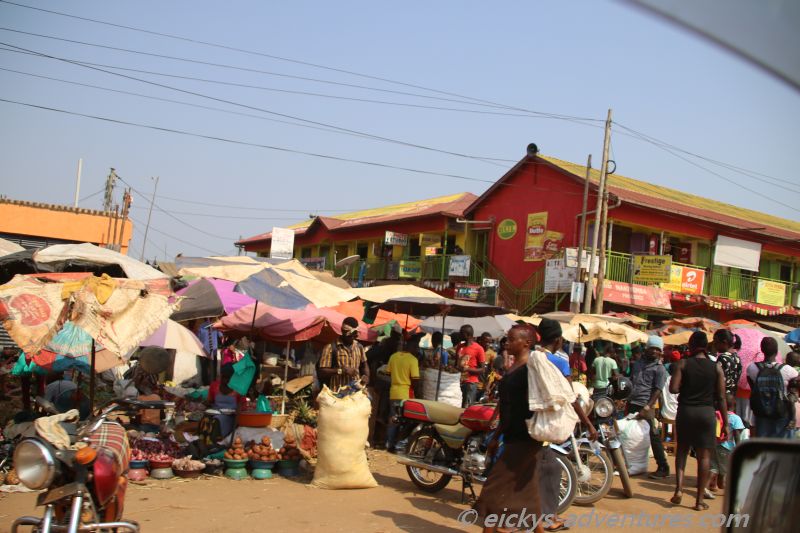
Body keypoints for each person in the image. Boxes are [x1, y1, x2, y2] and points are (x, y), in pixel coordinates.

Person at [473, 325, 544, 533]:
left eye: (512, 339)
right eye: (507, 339)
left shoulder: (529, 369)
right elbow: (507, 406)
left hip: (525, 437)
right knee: (528, 490)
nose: (507, 343)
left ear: (527, 343)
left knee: (493, 488)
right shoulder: (513, 367)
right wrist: (496, 436)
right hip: (512, 434)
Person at [534, 319, 598, 532]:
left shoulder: (532, 357)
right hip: (547, 424)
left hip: (531, 420)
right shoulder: (559, 362)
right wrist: (588, 423)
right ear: (558, 340)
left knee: (545, 467)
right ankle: (546, 518)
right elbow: (570, 397)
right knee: (550, 469)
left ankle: (544, 517)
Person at [669, 331, 727, 511]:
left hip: (686, 412)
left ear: (691, 345)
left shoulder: (683, 363)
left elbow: (673, 389)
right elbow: (721, 397)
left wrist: (686, 385)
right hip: (706, 414)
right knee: (704, 457)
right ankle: (699, 501)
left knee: (682, 451)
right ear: (706, 346)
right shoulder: (716, 367)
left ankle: (679, 489)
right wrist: (725, 423)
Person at [628, 335, 670, 479]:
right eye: (652, 348)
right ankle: (629, 463)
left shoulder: (660, 369)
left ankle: (663, 466)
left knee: (653, 435)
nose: (654, 351)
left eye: (657, 349)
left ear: (661, 352)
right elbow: (631, 381)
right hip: (632, 403)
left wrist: (648, 406)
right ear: (646, 349)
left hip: (646, 405)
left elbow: (658, 390)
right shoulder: (637, 364)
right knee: (630, 433)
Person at [746, 337, 798, 438]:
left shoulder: (752, 368)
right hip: (782, 412)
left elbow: (753, 388)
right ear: (777, 351)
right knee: (782, 445)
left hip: (761, 413)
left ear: (762, 350)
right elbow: (796, 385)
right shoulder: (788, 370)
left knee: (764, 444)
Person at [385, 340, 421, 452]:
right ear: (412, 347)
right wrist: (417, 394)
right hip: (405, 393)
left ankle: (389, 444)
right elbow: (415, 380)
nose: (417, 350)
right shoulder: (413, 360)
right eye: (416, 348)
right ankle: (399, 444)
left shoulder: (393, 356)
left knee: (393, 419)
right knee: (405, 421)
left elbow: (388, 373)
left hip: (394, 392)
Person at [317, 317, 370, 391]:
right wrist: (341, 371)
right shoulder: (330, 347)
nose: (353, 337)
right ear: (342, 331)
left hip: (355, 390)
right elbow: (322, 371)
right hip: (337, 392)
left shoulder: (359, 347)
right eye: (346, 333)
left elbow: (364, 365)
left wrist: (366, 376)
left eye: (354, 335)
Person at [708, 392, 745, 493]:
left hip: (713, 445)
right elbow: (737, 435)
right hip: (726, 447)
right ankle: (724, 488)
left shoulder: (716, 414)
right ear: (734, 404)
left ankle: (706, 486)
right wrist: (739, 449)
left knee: (714, 467)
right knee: (724, 471)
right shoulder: (736, 418)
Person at [456, 325, 486, 407]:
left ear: (468, 335)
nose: (459, 335)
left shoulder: (479, 349)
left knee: (467, 408)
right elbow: (456, 364)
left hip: (470, 383)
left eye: (461, 333)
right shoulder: (460, 347)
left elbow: (482, 369)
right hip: (458, 382)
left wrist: (467, 369)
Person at [713, 329, 742, 397]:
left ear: (724, 342)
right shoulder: (737, 358)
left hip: (722, 396)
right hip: (732, 396)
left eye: (716, 341)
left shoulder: (723, 358)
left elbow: (718, 380)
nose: (714, 344)